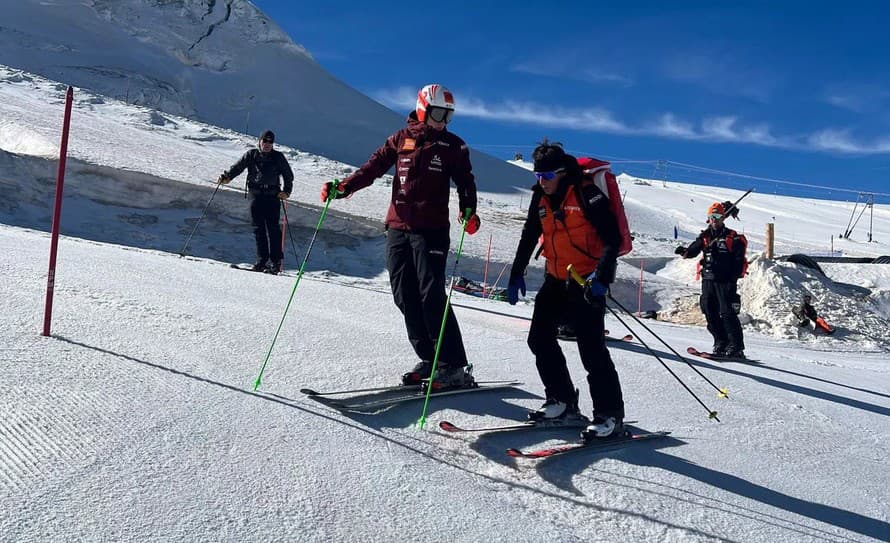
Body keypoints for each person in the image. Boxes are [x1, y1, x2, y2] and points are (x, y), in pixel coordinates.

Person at [320, 84, 480, 390]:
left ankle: (453, 365)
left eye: (448, 116)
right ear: (422, 109)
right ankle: (430, 358)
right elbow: (372, 168)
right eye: (437, 114)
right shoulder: (400, 139)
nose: (442, 122)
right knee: (403, 295)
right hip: (397, 228)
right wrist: (344, 188)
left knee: (431, 294)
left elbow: (466, 182)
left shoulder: (453, 146)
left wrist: (468, 210)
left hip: (431, 231)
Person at [506, 140, 625, 439]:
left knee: (591, 349)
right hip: (556, 278)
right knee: (539, 338)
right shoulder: (540, 198)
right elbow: (529, 235)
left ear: (561, 173)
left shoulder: (587, 193)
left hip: (586, 281)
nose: (541, 183)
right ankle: (562, 401)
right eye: (537, 177)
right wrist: (516, 273)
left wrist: (603, 276)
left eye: (546, 177)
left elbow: (612, 237)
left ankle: (610, 416)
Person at [675, 202, 748, 358]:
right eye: (711, 217)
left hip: (725, 280)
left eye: (717, 216)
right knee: (709, 311)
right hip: (708, 280)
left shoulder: (732, 237)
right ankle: (721, 342)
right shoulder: (706, 236)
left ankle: (736, 347)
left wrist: (732, 277)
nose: (714, 219)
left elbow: (738, 259)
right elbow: (694, 249)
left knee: (727, 313)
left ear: (723, 217)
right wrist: (685, 252)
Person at [218, 129, 294, 274]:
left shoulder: (278, 157)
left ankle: (275, 263)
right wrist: (227, 177)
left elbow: (288, 175)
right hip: (256, 195)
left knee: (273, 230)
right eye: (265, 140)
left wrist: (286, 192)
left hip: (272, 196)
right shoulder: (251, 154)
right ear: (260, 141)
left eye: (270, 142)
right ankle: (262, 261)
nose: (267, 144)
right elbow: (238, 167)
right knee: (258, 229)